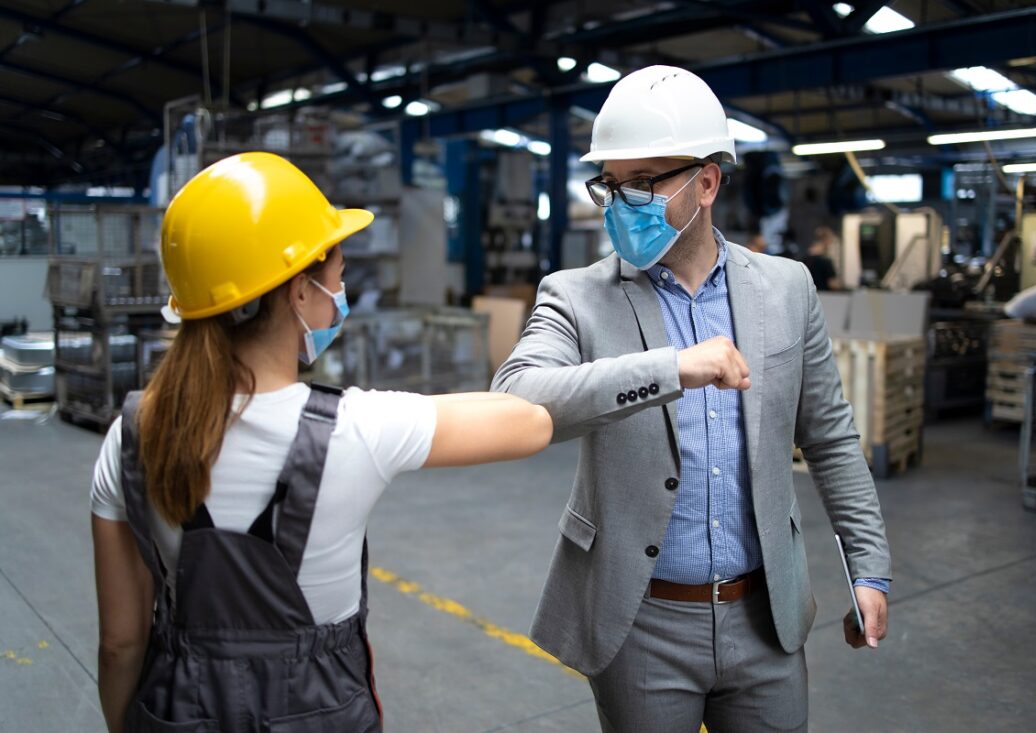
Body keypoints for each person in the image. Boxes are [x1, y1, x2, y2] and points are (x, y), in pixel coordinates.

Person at [91, 153, 552, 733]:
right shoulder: (355, 429)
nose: (341, 289)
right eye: (337, 272)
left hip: (177, 710)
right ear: (299, 293)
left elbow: (120, 643)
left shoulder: (131, 434)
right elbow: (531, 421)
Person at [492, 66, 890, 733]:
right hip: (640, 621)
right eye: (610, 185)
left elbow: (830, 436)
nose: (622, 204)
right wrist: (669, 367)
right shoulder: (574, 295)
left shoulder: (787, 290)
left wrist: (870, 567)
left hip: (766, 618)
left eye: (644, 183)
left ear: (706, 183)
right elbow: (518, 395)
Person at [804, 225, 841, 291]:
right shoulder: (826, 261)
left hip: (808, 296)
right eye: (831, 241)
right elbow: (833, 285)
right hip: (823, 297)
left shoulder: (804, 259)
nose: (830, 244)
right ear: (826, 240)